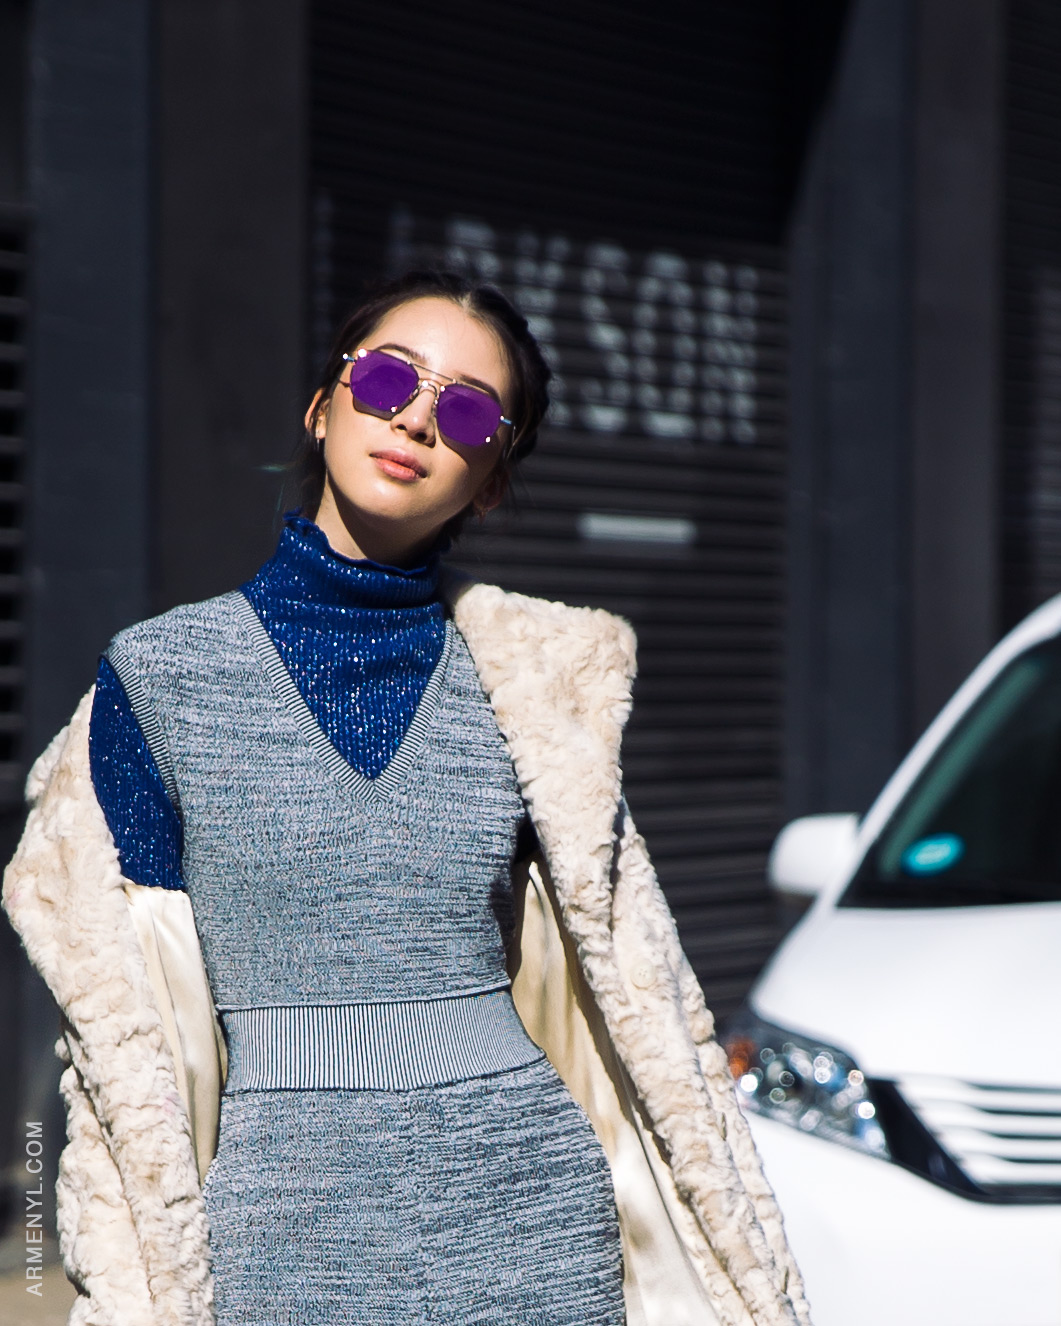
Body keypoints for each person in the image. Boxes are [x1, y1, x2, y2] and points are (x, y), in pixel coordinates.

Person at [3, 271, 812, 1326]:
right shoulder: (162, 678)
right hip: (281, 1228)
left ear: (488, 480)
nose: (418, 417)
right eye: (388, 378)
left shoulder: (539, 686)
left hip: (528, 1213)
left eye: (469, 410)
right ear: (323, 403)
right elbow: (133, 1035)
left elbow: (625, 987)